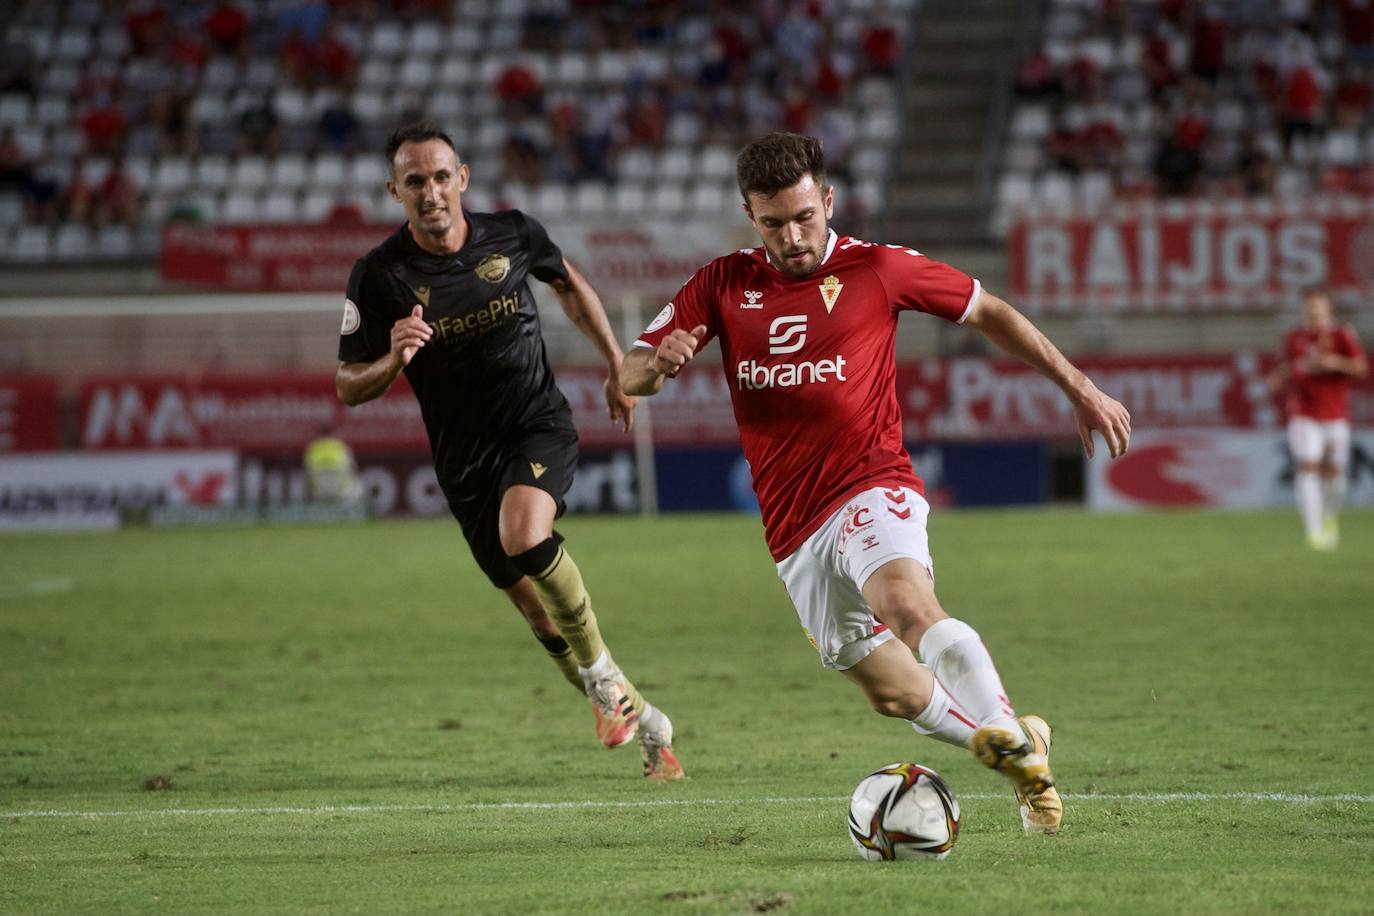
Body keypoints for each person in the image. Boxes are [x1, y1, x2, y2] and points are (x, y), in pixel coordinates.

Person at [621, 132, 1133, 832]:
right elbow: (628, 373)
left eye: (805, 216)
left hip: (871, 485)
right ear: (751, 216)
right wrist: (659, 365)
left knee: (907, 603)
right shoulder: (721, 284)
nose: (793, 236)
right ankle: (1021, 749)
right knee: (894, 695)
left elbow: (988, 310)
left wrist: (1078, 388)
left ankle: (1024, 763)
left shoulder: (878, 270)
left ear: (828, 200)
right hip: (792, 528)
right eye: (773, 223)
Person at [335, 121, 682, 780]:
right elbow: (348, 384)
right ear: (394, 191)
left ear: (462, 177)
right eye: (415, 182)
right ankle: (646, 722)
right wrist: (392, 357)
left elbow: (570, 286)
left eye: (442, 176)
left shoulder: (513, 233)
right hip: (463, 462)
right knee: (534, 613)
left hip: (536, 423)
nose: (431, 192)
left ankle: (606, 681)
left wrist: (616, 363)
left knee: (524, 533)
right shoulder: (378, 276)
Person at [1268, 287, 1368, 550]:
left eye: (1317, 307)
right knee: (1308, 466)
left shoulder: (1341, 335)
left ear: (1327, 309)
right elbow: (1283, 369)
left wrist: (1336, 363)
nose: (1313, 312)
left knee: (1337, 478)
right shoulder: (1294, 338)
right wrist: (1277, 379)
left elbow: (1361, 369)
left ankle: (1329, 516)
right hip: (1304, 414)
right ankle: (1313, 532)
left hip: (1335, 416)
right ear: (1303, 311)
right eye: (1308, 308)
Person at [303, 422, 363, 507]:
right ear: (333, 433)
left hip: (319, 492)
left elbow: (306, 472)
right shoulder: (340, 446)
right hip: (341, 491)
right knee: (357, 481)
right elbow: (354, 468)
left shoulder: (313, 448)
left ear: (320, 434)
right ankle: (353, 511)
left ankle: (311, 510)